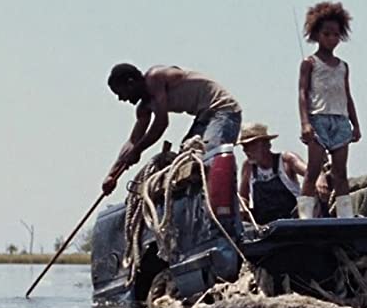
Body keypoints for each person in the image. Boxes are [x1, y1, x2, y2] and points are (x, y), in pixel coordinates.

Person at [102, 64, 242, 194]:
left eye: (121, 92)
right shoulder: (144, 107)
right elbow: (132, 142)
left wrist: (138, 150)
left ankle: (227, 207)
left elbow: (161, 123)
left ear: (131, 83)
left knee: (208, 161)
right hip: (203, 116)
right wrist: (112, 174)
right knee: (185, 162)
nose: (121, 99)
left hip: (223, 110)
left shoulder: (155, 78)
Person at [297, 2, 362, 219]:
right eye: (326, 34)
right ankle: (305, 216)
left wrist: (356, 124)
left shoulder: (343, 66)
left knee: (340, 173)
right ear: (316, 34)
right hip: (318, 119)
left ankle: (345, 216)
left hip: (341, 120)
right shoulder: (310, 63)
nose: (331, 39)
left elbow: (347, 96)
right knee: (314, 169)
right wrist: (305, 123)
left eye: (335, 35)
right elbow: (303, 94)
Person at [237, 122, 307, 224]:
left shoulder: (287, 160)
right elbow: (243, 196)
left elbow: (312, 174)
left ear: (267, 144)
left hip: (292, 223)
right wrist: (242, 207)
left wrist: (319, 180)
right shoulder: (248, 167)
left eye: (250, 145)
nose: (245, 150)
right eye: (244, 146)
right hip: (265, 228)